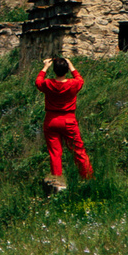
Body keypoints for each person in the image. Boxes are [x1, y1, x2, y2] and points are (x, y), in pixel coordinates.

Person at [35, 54, 91, 190]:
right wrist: (71, 65)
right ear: (66, 70)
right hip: (68, 119)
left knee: (55, 152)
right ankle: (87, 177)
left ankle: (57, 180)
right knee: (78, 150)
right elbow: (80, 79)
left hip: (51, 119)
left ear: (54, 70)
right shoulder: (73, 84)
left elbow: (38, 81)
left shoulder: (48, 84)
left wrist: (44, 67)